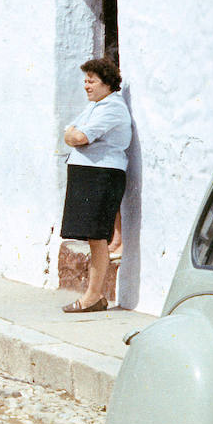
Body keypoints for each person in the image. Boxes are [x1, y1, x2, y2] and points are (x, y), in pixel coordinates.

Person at [60, 57, 131, 314]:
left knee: (97, 237)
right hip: (88, 173)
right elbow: (69, 131)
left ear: (107, 83)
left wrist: (73, 135)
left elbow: (78, 135)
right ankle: (94, 296)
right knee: (92, 236)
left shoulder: (112, 108)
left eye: (92, 81)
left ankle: (93, 297)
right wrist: (72, 135)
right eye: (85, 81)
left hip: (102, 174)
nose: (86, 86)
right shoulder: (95, 106)